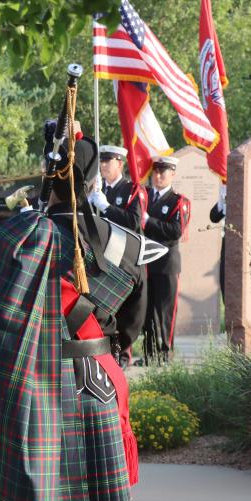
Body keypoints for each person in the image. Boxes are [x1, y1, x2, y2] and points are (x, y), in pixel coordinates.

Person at [0, 124, 141, 501]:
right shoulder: (124, 241)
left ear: (46, 178)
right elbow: (133, 324)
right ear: (93, 180)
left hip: (31, 386)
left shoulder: (15, 238)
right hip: (93, 382)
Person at [87, 144, 148, 368]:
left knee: (124, 309)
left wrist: (106, 206)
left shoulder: (133, 190)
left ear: (119, 163)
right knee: (104, 307)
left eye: (107, 161)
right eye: (101, 161)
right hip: (103, 255)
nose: (102, 165)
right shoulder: (97, 189)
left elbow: (134, 222)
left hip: (125, 257)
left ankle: (123, 354)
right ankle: (104, 349)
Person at [142, 155, 191, 366]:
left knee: (165, 311)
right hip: (145, 263)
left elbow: (175, 231)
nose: (159, 175)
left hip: (166, 264)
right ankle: (149, 353)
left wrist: (148, 221)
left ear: (173, 174)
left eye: (164, 171)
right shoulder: (143, 197)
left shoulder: (178, 201)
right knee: (147, 311)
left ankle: (165, 353)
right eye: (156, 171)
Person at [209, 183, 226, 300]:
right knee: (225, 282)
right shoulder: (230, 194)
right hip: (228, 245)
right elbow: (214, 216)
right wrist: (221, 202)